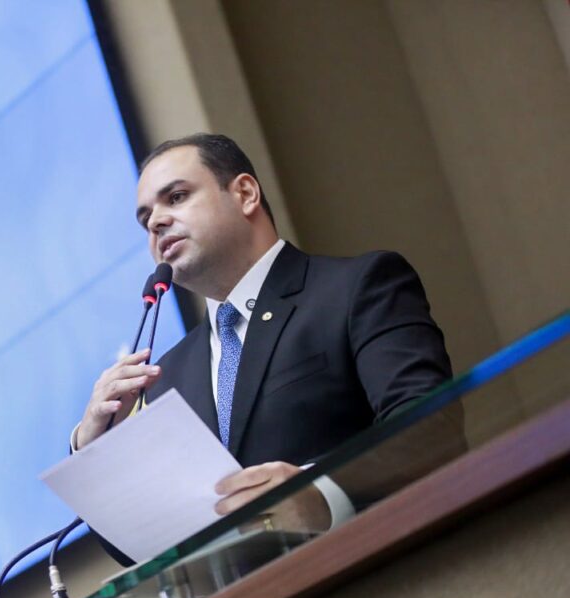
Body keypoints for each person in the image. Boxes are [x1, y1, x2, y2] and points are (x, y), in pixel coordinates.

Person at [75, 133, 453, 562]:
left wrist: (323, 495)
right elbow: (141, 550)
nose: (157, 222)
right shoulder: (167, 376)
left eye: (176, 197)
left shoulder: (357, 288)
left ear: (245, 194)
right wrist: (93, 449)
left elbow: (431, 429)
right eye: (145, 219)